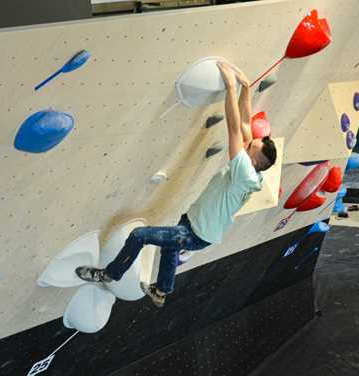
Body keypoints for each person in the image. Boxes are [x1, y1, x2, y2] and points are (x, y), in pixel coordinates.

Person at [75, 61, 277, 307]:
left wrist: (230, 88)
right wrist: (246, 89)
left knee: (139, 236)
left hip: (195, 233)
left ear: (254, 159)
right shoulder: (254, 167)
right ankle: (161, 291)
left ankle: (109, 274)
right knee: (169, 249)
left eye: (251, 146)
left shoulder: (244, 172)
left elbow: (234, 128)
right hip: (197, 225)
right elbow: (246, 127)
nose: (248, 143)